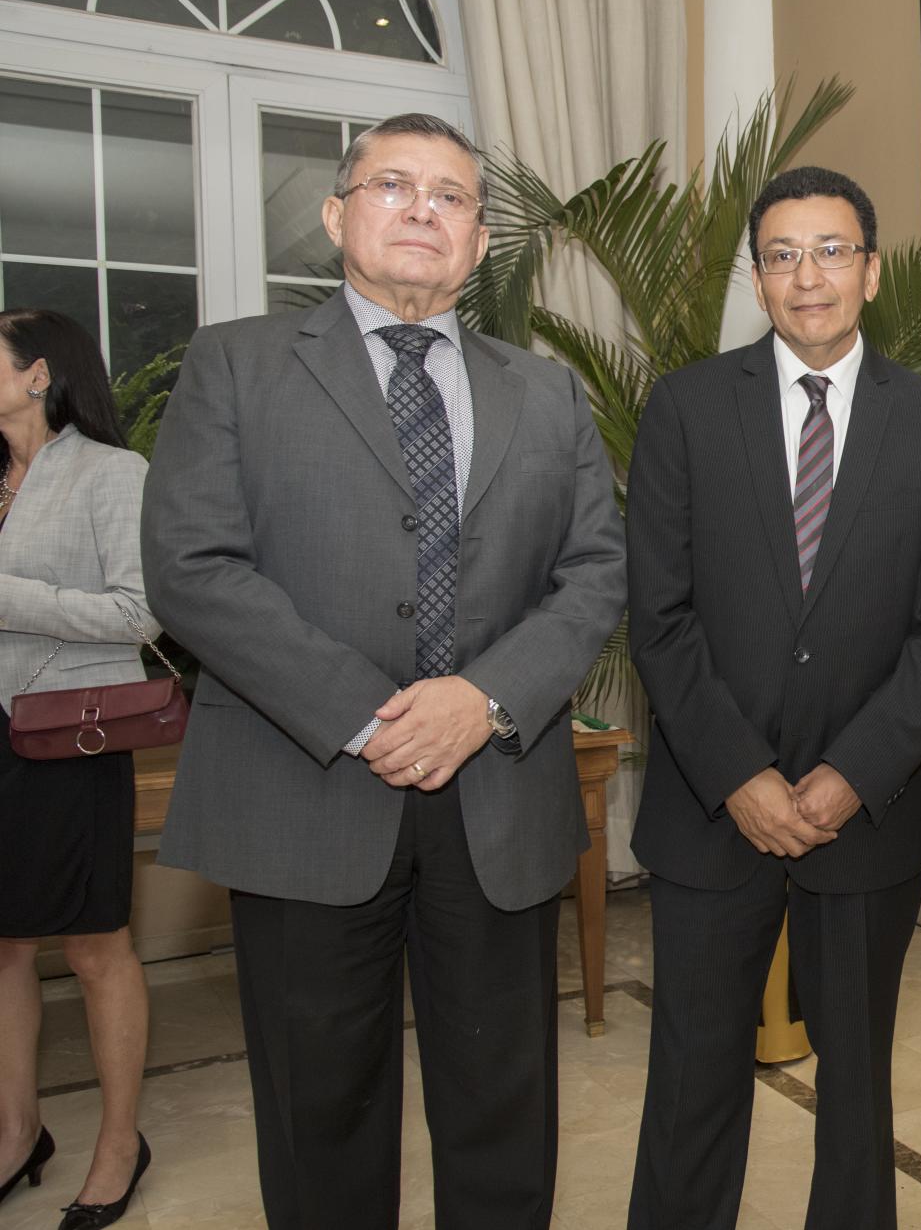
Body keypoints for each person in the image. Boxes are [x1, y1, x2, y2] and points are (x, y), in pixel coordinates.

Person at [140, 113, 626, 1230]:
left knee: (503, 1109)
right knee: (320, 1117)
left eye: (449, 196)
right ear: (336, 214)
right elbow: (191, 568)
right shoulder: (237, 364)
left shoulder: (544, 394)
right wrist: (369, 715)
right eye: (392, 185)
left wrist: (484, 699)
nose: (421, 210)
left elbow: (597, 570)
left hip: (496, 797)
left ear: (479, 238)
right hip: (301, 795)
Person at [623, 166, 921, 1230]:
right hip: (708, 813)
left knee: (857, 1095)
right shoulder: (687, 408)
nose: (806, 276)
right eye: (781, 255)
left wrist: (844, 778)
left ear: (869, 272)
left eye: (830, 251)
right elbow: (661, 617)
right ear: (758, 277)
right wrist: (739, 776)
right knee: (691, 1082)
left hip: (862, 823)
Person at [0, 309, 157, 1229]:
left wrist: (7, 597)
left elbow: (142, 613)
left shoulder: (111, 472)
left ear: (37, 374)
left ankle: (120, 1142)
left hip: (70, 738)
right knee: (4, 943)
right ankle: (18, 1133)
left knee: (95, 947)